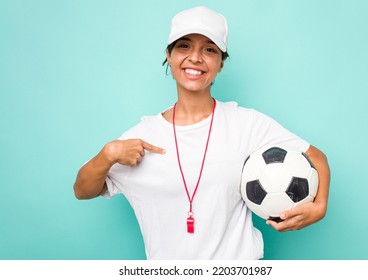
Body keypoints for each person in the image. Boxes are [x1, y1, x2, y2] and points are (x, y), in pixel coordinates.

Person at [73, 6, 330, 260]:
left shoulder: (246, 123)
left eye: (209, 49)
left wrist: (319, 207)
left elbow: (316, 157)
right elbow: (82, 190)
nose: (195, 57)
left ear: (220, 64)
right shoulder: (144, 135)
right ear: (169, 55)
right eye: (184, 46)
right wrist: (107, 155)